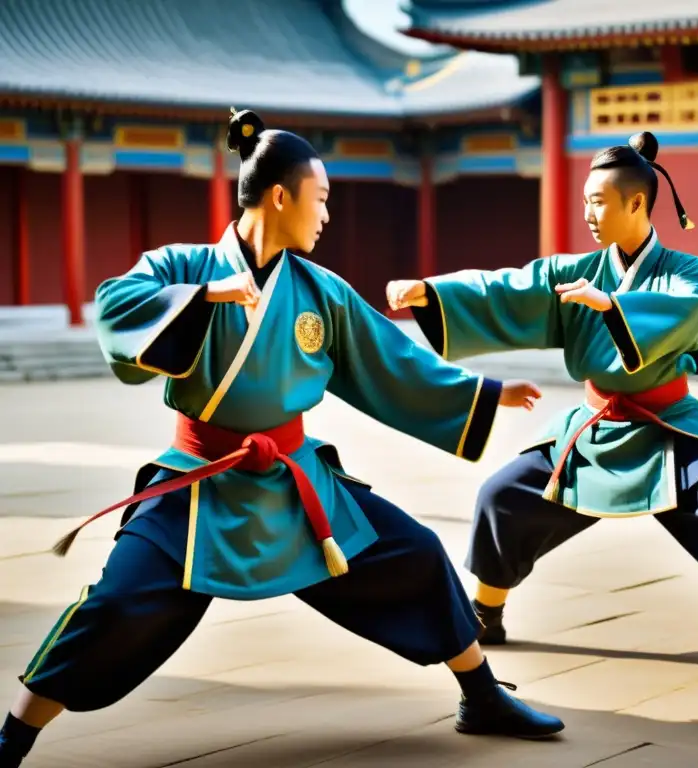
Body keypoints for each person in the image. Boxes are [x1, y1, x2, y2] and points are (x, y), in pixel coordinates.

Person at [0, 109, 566, 768]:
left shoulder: (320, 291)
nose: (326, 214)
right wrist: (205, 296)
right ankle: (15, 734)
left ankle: (482, 693)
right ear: (279, 196)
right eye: (321, 198)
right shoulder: (184, 264)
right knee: (118, 606)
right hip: (200, 484)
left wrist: (482, 393)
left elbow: (391, 359)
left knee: (415, 554)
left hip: (295, 488)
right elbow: (115, 308)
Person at [385, 131, 698, 687]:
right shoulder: (573, 272)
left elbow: (680, 313)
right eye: (586, 201)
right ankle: (488, 612)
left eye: (599, 202)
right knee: (502, 497)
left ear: (636, 202)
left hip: (668, 430)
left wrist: (613, 305)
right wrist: (431, 292)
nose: (588, 213)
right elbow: (508, 288)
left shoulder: (691, 273)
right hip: (594, 430)